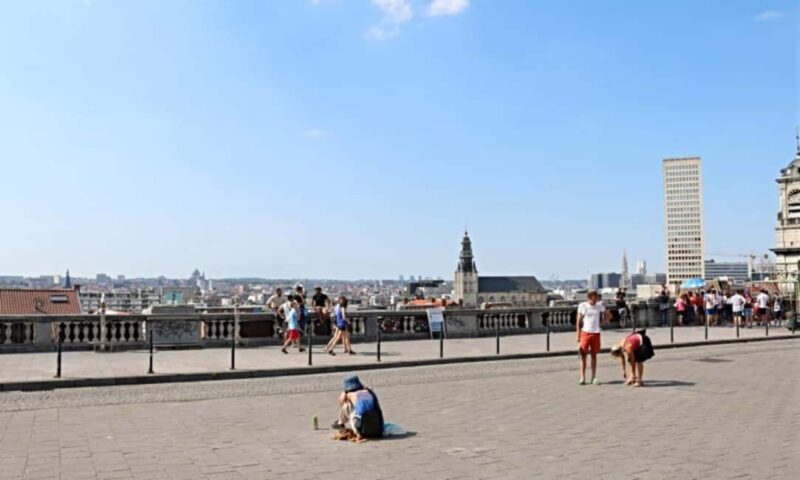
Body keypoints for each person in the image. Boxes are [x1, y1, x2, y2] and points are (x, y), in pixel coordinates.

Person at [332, 375, 384, 442]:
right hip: (378, 429)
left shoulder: (350, 394)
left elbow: (341, 402)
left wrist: (344, 393)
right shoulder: (369, 391)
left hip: (363, 431)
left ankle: (341, 422)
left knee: (347, 405)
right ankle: (341, 422)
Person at [576, 290, 611, 385]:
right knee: (583, 356)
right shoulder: (583, 306)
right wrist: (578, 335)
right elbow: (578, 322)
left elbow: (609, 315)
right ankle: (582, 377)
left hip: (596, 333)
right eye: (594, 298)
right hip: (585, 333)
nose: (595, 300)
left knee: (594, 356)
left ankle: (593, 377)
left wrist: (602, 323)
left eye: (596, 298)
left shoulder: (599, 306)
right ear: (589, 297)